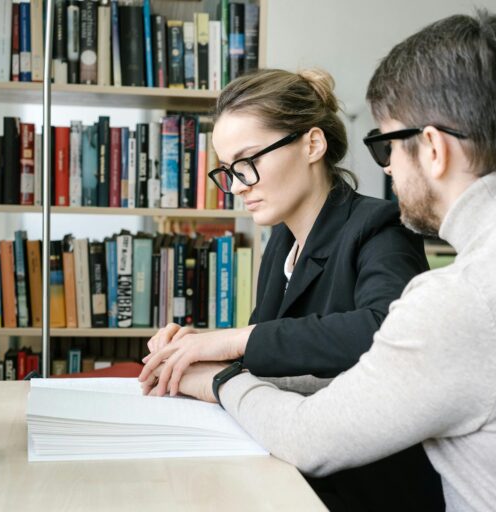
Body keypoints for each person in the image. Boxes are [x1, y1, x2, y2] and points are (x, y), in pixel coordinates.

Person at [142, 10, 496, 511]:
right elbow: (391, 385)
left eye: (386, 148)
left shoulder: (465, 297)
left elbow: (311, 439)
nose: (389, 172)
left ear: (432, 148)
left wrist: (219, 379)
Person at [140, 68, 444, 510]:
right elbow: (279, 357)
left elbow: (383, 331)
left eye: (249, 162)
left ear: (312, 145)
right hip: (287, 469)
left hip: (366, 487)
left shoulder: (380, 227)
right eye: (228, 170)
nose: (238, 186)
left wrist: (234, 341)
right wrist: (204, 348)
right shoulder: (282, 238)